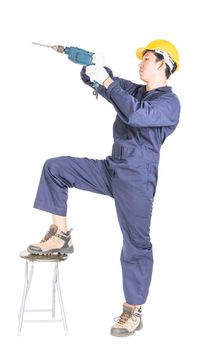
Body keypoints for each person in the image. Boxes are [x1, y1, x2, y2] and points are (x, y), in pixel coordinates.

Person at [27, 39, 180, 337]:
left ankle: (133, 310)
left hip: (137, 180)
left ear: (163, 64)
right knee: (55, 167)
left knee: (136, 245)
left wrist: (107, 79)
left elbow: (135, 114)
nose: (140, 63)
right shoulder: (134, 91)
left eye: (146, 58)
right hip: (112, 169)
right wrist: (92, 65)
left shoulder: (168, 104)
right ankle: (60, 235)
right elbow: (99, 81)